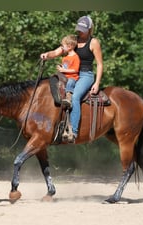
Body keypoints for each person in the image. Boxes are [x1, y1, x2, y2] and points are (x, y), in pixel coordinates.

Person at [40, 15, 103, 143]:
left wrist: (97, 82)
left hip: (85, 75)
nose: (79, 32)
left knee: (74, 97)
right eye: (78, 29)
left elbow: (100, 64)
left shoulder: (93, 42)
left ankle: (72, 132)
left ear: (90, 29)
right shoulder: (73, 41)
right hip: (70, 75)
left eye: (82, 29)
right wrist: (47, 55)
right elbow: (57, 51)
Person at [57, 34, 80, 109]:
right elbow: (65, 67)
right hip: (65, 77)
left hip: (72, 77)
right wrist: (61, 67)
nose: (62, 48)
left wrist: (64, 70)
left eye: (63, 46)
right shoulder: (64, 58)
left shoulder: (75, 57)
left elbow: (75, 69)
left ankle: (69, 97)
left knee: (70, 82)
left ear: (69, 46)